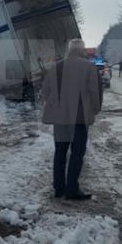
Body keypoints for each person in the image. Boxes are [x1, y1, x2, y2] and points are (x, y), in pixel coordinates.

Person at [41, 39, 103, 200]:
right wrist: (95, 109)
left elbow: (45, 91)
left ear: (69, 50)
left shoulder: (56, 67)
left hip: (60, 119)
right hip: (80, 118)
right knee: (77, 153)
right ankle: (72, 189)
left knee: (60, 152)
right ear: (82, 51)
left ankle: (59, 188)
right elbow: (94, 92)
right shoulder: (89, 67)